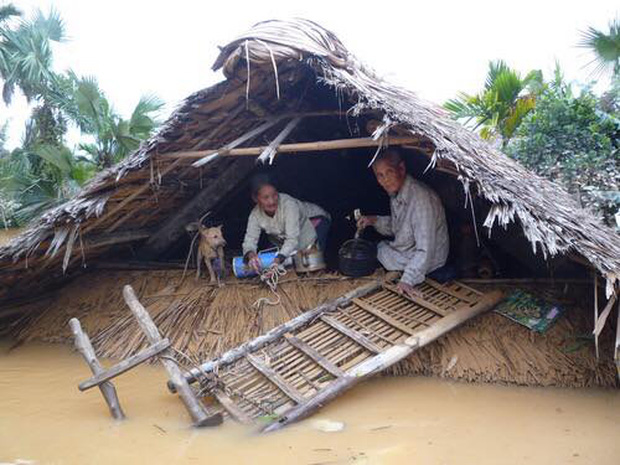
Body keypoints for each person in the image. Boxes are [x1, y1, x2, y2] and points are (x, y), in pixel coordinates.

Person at [357, 149, 449, 298]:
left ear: (401, 169)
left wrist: (407, 280)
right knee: (378, 248)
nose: (385, 179)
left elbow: (425, 249)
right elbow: (398, 227)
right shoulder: (396, 195)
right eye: (380, 175)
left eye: (389, 172)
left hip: (429, 260)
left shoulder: (421, 199)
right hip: (409, 251)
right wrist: (373, 220)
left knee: (377, 252)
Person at [242, 174, 331, 273]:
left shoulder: (289, 205)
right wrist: (251, 255)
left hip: (313, 221)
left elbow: (292, 239)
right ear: (255, 199)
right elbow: (249, 240)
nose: (271, 201)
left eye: (274, 195)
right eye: (265, 198)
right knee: (272, 263)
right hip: (283, 237)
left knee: (310, 263)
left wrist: (278, 259)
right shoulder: (255, 215)